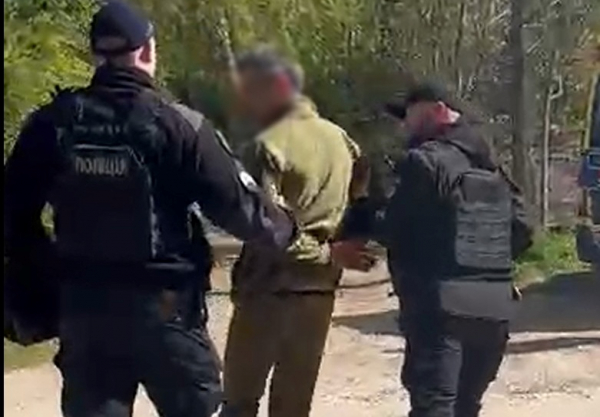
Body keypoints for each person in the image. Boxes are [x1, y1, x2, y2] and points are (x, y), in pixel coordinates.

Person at [3, 2, 296, 416]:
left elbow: (12, 213)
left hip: (87, 311)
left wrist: (43, 272)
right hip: (166, 311)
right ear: (147, 50)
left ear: (95, 54)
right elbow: (242, 210)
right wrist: (288, 229)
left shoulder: (51, 125)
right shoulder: (179, 125)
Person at [220, 47, 377, 417]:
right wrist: (343, 246)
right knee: (294, 405)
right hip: (318, 291)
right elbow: (363, 200)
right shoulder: (343, 141)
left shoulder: (268, 144)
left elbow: (264, 225)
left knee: (240, 400)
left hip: (267, 288)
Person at [381, 82, 534, 417]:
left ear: (438, 111)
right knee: (466, 407)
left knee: (434, 407)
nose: (405, 125)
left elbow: (392, 228)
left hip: (440, 310)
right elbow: (523, 230)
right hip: (494, 310)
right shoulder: (492, 168)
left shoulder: (423, 162)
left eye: (410, 115)